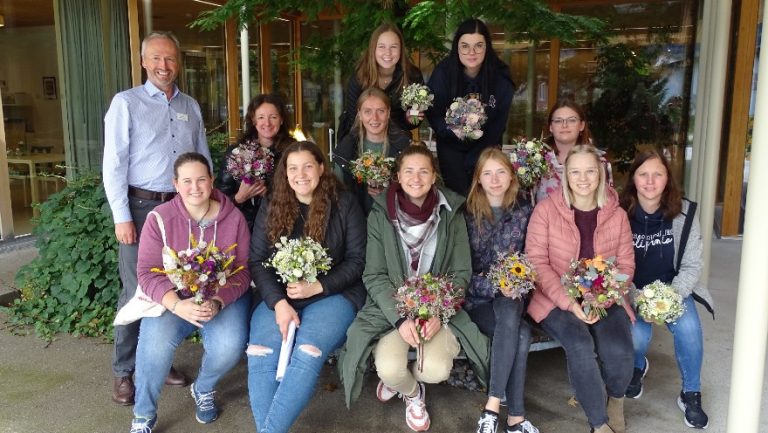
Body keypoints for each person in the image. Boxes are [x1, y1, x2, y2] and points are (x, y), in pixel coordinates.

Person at [339, 145, 489, 432]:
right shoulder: (380, 214)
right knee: (390, 370)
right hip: (393, 308)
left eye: (423, 171)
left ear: (434, 176)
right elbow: (374, 274)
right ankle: (411, 394)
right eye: (409, 171)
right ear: (398, 176)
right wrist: (399, 318)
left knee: (434, 371)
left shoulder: (451, 213)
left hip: (438, 307)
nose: (416, 178)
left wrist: (439, 313)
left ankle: (414, 383)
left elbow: (460, 272)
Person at [103, 30, 210, 405]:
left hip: (182, 209)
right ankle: (123, 371)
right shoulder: (126, 103)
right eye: (157, 59)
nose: (164, 66)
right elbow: (113, 164)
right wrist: (121, 216)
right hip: (141, 208)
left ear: (177, 63)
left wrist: (206, 207)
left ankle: (158, 360)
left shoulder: (190, 106)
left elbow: (203, 158)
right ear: (144, 62)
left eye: (170, 59)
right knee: (138, 289)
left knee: (175, 287)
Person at [247, 141, 367, 433]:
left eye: (308, 166)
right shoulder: (273, 203)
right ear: (285, 174)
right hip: (280, 296)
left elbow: (357, 261)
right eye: (293, 168)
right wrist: (279, 303)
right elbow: (258, 260)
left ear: (322, 168)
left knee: (307, 352)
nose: (301, 174)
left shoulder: (344, 203)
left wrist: (319, 286)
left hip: (333, 294)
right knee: (261, 351)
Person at [129, 152, 252, 433]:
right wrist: (175, 305)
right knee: (153, 346)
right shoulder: (159, 218)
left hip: (220, 298)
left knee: (229, 345)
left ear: (211, 181)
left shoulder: (233, 218)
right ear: (176, 184)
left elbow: (244, 270)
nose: (194, 187)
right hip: (174, 300)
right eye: (187, 181)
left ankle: (204, 387)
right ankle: (143, 414)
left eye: (201, 179)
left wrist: (219, 300)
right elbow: (147, 271)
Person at [525, 144, 635, 433]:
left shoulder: (617, 214)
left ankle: (616, 399)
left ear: (600, 175)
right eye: (575, 172)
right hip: (556, 298)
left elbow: (625, 264)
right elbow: (536, 262)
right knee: (580, 344)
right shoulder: (546, 210)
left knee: (620, 350)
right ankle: (599, 424)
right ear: (565, 175)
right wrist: (570, 302)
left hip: (604, 297)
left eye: (589, 171)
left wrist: (602, 299)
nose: (583, 178)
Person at [619, 150, 714, 429]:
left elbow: (692, 265)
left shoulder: (685, 212)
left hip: (674, 290)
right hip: (632, 289)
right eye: (643, 174)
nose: (650, 181)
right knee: (636, 335)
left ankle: (691, 393)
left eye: (657, 174)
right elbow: (613, 262)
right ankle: (637, 367)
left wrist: (667, 300)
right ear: (633, 179)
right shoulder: (620, 213)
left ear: (667, 179)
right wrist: (638, 298)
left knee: (689, 330)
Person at [464, 148, 539, 433]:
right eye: (487, 173)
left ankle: (492, 408)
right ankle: (515, 419)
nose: (494, 180)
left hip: (514, 297)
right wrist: (495, 283)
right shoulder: (466, 214)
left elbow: (531, 260)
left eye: (501, 172)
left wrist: (515, 283)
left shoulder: (525, 212)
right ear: (478, 179)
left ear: (511, 177)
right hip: (478, 300)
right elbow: (461, 272)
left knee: (510, 308)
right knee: (521, 332)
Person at [425, 18, 514, 196]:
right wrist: (453, 134)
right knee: (457, 200)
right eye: (465, 46)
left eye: (478, 45)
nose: (471, 52)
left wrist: (478, 154)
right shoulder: (443, 73)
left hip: (486, 147)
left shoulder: (500, 77)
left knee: (485, 198)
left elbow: (499, 124)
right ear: (457, 47)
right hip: (451, 146)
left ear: (487, 47)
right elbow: (434, 113)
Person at [217, 93, 294, 231]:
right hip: (242, 228)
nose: (267, 123)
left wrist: (269, 194)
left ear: (281, 119)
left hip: (282, 225)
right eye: (261, 117)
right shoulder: (236, 153)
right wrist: (239, 198)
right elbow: (219, 200)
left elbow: (301, 193)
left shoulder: (293, 152)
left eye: (273, 117)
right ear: (253, 120)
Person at [338, 23, 423, 142]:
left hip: (398, 139)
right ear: (373, 48)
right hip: (361, 139)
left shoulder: (413, 76)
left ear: (401, 49)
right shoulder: (360, 77)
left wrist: (410, 119)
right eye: (382, 46)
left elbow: (413, 122)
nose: (387, 52)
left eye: (394, 47)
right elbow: (354, 120)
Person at [333, 88, 412, 214]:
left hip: (398, 218)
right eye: (367, 111)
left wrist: (389, 190)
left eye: (380, 111)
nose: (374, 118)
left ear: (388, 112)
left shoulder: (405, 147)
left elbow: (416, 187)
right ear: (359, 114)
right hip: (356, 221)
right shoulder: (345, 150)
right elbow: (337, 195)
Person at [536, 100, 613, 202]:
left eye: (571, 120)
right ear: (550, 127)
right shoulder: (536, 160)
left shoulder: (599, 161)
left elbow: (608, 204)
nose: (564, 125)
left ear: (581, 125)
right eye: (558, 121)